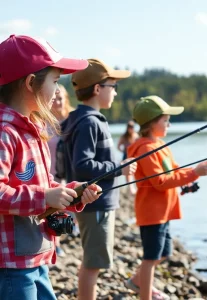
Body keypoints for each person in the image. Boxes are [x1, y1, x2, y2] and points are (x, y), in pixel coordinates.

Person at [0, 34, 101, 300]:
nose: (58, 90)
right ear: (31, 83)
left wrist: (72, 191)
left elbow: (43, 188)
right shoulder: (5, 133)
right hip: (10, 266)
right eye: (55, 81)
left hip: (37, 257)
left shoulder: (35, 131)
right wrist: (45, 197)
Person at [126, 95, 207, 300]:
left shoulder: (160, 145)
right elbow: (161, 181)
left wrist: (194, 172)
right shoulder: (146, 150)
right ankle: (145, 296)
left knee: (164, 254)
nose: (169, 124)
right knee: (151, 258)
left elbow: (173, 170)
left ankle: (136, 282)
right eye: (165, 120)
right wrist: (194, 173)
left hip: (163, 212)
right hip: (152, 213)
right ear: (151, 123)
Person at [62, 58, 137, 300]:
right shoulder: (89, 122)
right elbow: (82, 165)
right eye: (113, 86)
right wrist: (119, 167)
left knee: (92, 261)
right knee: (92, 264)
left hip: (95, 203)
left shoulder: (82, 118)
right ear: (97, 89)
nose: (115, 92)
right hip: (95, 204)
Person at [47, 85, 79, 257]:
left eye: (61, 98)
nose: (58, 102)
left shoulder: (72, 121)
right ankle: (56, 242)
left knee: (68, 205)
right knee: (54, 208)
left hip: (67, 171)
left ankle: (68, 231)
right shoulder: (44, 122)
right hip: (49, 171)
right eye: (55, 98)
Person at [117, 120, 139, 195]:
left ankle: (134, 187)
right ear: (127, 128)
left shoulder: (136, 135)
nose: (131, 128)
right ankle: (130, 188)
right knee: (128, 173)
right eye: (130, 127)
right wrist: (123, 150)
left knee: (135, 171)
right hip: (126, 155)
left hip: (133, 155)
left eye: (132, 127)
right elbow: (118, 146)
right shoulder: (123, 136)